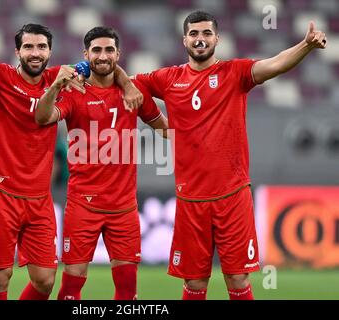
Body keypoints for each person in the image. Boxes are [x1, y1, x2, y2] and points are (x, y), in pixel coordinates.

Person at [0, 24, 144, 300]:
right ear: (17, 51)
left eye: (41, 47)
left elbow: (105, 64)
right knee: (0, 278)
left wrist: (128, 83)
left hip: (40, 199)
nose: (35, 53)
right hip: (2, 194)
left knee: (45, 281)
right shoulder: (0, 75)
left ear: (50, 51)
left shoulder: (58, 76)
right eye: (28, 47)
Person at [134, 11, 327, 300]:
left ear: (217, 39)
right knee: (195, 283)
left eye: (206, 33)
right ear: (184, 39)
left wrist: (306, 46)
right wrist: (159, 124)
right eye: (194, 34)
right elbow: (130, 86)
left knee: (237, 278)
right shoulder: (168, 78)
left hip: (232, 197)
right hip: (191, 200)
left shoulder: (234, 73)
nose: (200, 39)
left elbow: (274, 64)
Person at [36, 26, 168, 300]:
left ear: (118, 54)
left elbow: (165, 129)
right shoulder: (73, 92)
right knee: (70, 290)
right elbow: (42, 117)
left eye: (109, 50)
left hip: (124, 208)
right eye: (96, 50)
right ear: (86, 54)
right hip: (83, 205)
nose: (103, 56)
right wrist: (55, 85)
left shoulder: (134, 91)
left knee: (128, 291)